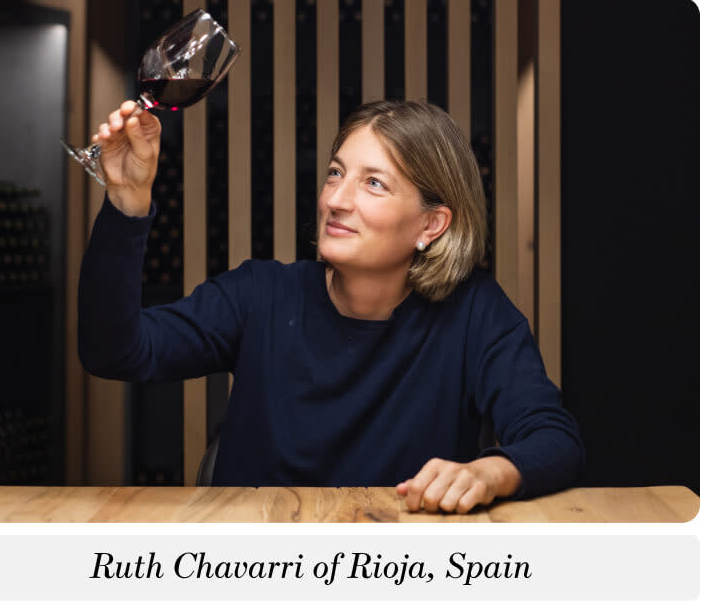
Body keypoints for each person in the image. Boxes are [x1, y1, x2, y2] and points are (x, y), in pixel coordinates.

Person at [79, 99, 584, 514]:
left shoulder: (475, 312)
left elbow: (555, 439)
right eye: (335, 173)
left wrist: (487, 472)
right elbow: (114, 352)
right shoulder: (260, 295)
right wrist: (127, 201)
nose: (336, 200)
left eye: (373, 183)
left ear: (431, 226)